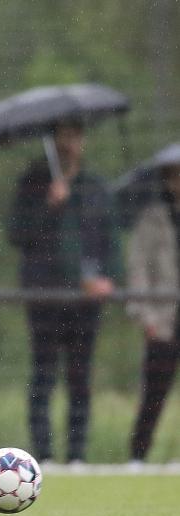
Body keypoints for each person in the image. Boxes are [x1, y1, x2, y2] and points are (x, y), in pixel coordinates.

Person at [7, 120, 115, 464]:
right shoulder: (34, 181)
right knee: (43, 374)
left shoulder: (95, 186)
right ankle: (45, 453)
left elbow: (110, 240)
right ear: (53, 142)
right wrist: (48, 205)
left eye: (75, 136)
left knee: (80, 377)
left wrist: (108, 277)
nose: (70, 143)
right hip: (45, 297)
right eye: (63, 137)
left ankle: (78, 453)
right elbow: (16, 234)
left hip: (85, 299)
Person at [126, 160, 180, 463]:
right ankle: (138, 454)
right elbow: (138, 267)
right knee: (155, 391)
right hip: (164, 317)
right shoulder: (153, 218)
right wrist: (143, 313)